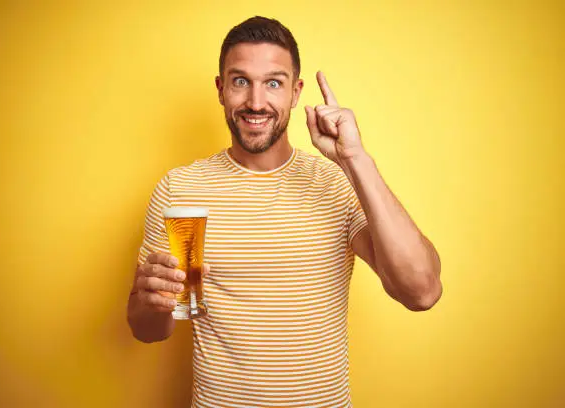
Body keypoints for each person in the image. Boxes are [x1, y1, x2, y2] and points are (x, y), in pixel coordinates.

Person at [127, 15, 442, 408]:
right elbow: (150, 330)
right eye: (241, 81)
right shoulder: (182, 188)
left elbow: (422, 291)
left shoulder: (337, 182)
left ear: (295, 92)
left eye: (273, 83)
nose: (256, 102)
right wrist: (150, 300)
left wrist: (356, 159)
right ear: (221, 89)